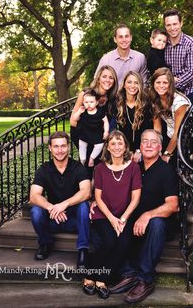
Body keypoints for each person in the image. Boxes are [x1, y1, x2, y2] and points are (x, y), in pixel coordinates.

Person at [109, 129, 179, 303]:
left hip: (160, 225)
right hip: (136, 221)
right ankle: (129, 273)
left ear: (160, 147)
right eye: (145, 141)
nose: (148, 145)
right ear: (140, 146)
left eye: (153, 142)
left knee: (156, 223)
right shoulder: (134, 167)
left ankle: (145, 279)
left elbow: (173, 205)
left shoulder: (166, 171)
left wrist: (148, 215)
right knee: (118, 219)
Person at [82, 130, 142, 299]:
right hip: (103, 214)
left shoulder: (134, 167)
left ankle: (101, 279)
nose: (116, 147)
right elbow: (98, 198)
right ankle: (89, 275)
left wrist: (122, 219)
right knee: (108, 241)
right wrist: (112, 219)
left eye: (120, 143)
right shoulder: (100, 168)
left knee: (124, 243)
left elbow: (135, 198)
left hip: (125, 215)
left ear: (125, 147)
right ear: (107, 147)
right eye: (113, 143)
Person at [29, 131, 91, 268]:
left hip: (74, 221)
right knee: (36, 211)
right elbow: (34, 195)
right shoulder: (44, 169)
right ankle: (45, 243)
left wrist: (64, 204)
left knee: (84, 206)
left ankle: (83, 250)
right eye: (56, 146)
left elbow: (86, 192)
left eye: (63, 146)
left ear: (68, 147)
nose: (60, 150)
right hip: (53, 219)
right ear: (50, 148)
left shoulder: (78, 167)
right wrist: (52, 207)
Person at [70, 65, 118, 165]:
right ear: (98, 78)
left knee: (99, 166)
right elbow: (72, 121)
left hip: (99, 139)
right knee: (86, 164)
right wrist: (89, 130)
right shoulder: (86, 94)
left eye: (111, 77)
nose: (107, 80)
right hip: (83, 135)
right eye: (104, 76)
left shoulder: (113, 98)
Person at [149, 67, 191, 168]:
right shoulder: (155, 99)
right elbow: (157, 128)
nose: (161, 86)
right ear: (153, 83)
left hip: (186, 137)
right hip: (171, 135)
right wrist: (157, 149)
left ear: (170, 85)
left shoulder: (179, 103)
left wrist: (166, 154)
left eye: (165, 83)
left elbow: (178, 133)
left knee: (170, 166)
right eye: (158, 82)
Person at [114, 70, 156, 162]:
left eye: (136, 83)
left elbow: (148, 130)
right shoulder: (116, 104)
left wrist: (139, 150)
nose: (132, 86)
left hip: (141, 151)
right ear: (124, 85)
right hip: (121, 150)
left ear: (140, 85)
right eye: (129, 82)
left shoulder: (146, 104)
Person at [163, 8, 193, 104]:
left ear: (181, 23)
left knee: (183, 112)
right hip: (168, 89)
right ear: (165, 26)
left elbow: (192, 72)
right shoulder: (163, 44)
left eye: (175, 24)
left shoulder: (191, 43)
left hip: (191, 89)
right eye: (168, 25)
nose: (172, 28)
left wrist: (171, 83)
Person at [72, 89, 109, 167]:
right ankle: (83, 159)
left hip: (96, 134)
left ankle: (92, 158)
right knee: (82, 144)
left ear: (96, 102)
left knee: (100, 145)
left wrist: (106, 131)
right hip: (85, 134)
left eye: (91, 102)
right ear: (83, 103)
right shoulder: (83, 112)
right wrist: (79, 112)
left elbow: (105, 122)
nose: (89, 104)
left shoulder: (100, 112)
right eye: (86, 102)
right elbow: (74, 119)